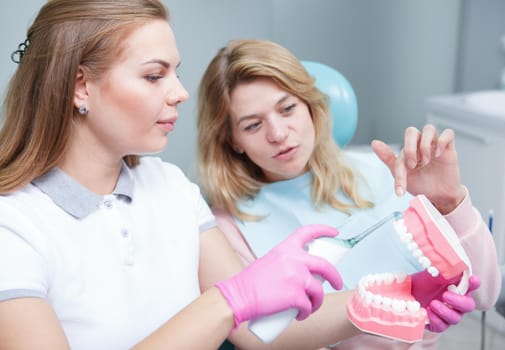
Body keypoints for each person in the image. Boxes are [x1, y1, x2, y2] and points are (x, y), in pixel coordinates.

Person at [0, 2, 356, 349]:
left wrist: (397, 295)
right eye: (154, 76)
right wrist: (225, 302)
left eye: (175, 73)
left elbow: (256, 328)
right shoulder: (14, 225)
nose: (181, 93)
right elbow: (234, 304)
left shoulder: (169, 185)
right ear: (81, 86)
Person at [196, 39, 502, 349]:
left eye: (287, 108)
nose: (277, 133)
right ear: (233, 140)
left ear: (310, 106)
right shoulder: (228, 227)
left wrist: (448, 204)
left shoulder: (389, 172)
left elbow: (483, 295)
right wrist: (402, 320)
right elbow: (265, 338)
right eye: (252, 125)